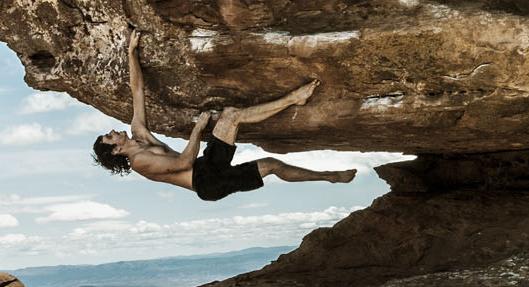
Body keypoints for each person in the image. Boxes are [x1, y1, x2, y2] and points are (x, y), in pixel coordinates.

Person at [91, 28, 356, 201]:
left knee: (251, 139)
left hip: (206, 167)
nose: (113, 131)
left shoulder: (138, 131)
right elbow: (183, 163)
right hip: (207, 182)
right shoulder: (140, 163)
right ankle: (296, 104)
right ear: (115, 151)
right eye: (109, 137)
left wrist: (131, 52)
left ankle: (328, 173)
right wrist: (198, 129)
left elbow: (137, 89)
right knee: (252, 142)